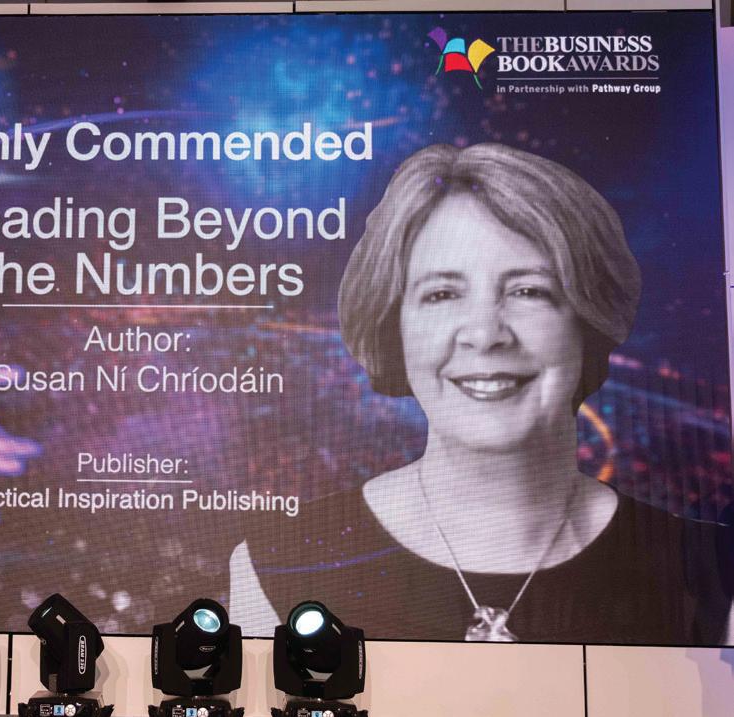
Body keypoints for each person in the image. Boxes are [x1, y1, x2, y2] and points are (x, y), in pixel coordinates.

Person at [231, 143, 732, 644]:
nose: (486, 334)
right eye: (442, 294)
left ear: (588, 321)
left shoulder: (710, 572)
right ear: (394, 327)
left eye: (528, 291)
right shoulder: (277, 566)